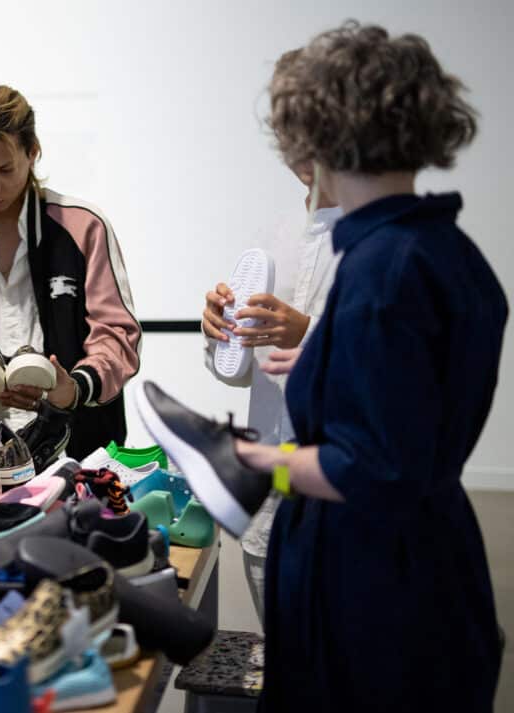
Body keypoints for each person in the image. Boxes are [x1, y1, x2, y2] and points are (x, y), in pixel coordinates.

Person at [232, 23, 504, 710]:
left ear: (315, 136)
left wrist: (247, 459)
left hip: (373, 593)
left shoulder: (383, 271)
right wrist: (327, 363)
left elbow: (372, 468)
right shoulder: (447, 252)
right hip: (423, 569)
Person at [0, 85, 141, 457]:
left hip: (80, 444)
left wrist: (74, 388)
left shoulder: (83, 227)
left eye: (5, 169)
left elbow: (116, 334)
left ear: (32, 152)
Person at [202, 147, 343, 623]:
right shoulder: (272, 238)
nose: (304, 147)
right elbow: (239, 370)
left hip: (346, 504)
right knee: (281, 652)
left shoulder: (380, 246)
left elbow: (403, 372)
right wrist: (218, 333)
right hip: (272, 497)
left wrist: (309, 335)